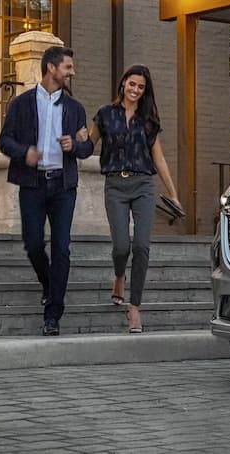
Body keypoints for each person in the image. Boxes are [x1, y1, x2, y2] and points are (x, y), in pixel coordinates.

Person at [0, 46, 93, 336]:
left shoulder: (75, 108)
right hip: (33, 185)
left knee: (62, 248)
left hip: (64, 187)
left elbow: (87, 148)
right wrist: (24, 152)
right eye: (68, 67)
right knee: (34, 244)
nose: (72, 72)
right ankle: (49, 285)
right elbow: (4, 140)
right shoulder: (21, 104)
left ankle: (53, 315)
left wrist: (74, 146)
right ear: (52, 68)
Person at [86, 64, 182, 333]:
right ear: (123, 82)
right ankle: (119, 275)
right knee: (121, 247)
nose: (135, 90)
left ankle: (134, 308)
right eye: (132, 84)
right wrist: (77, 140)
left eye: (141, 87)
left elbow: (158, 158)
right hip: (115, 185)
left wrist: (173, 193)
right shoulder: (105, 115)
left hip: (143, 185)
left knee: (141, 246)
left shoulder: (148, 120)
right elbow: (87, 147)